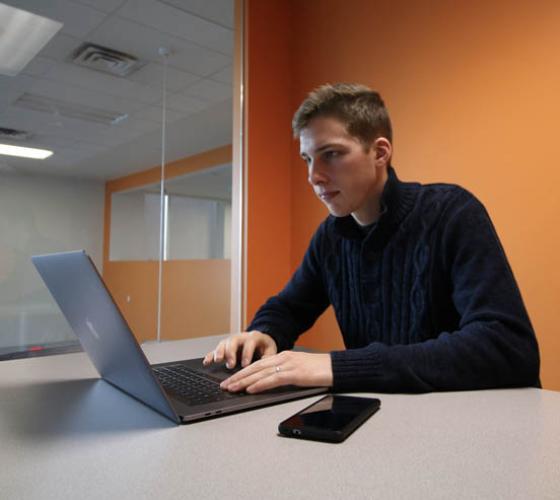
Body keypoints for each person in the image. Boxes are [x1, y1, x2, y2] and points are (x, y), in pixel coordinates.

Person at [203, 83, 540, 394]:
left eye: (331, 154)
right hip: (383, 423)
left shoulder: (452, 213)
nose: (314, 176)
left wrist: (339, 366)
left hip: (471, 425)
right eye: (307, 158)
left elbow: (507, 347)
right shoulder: (331, 237)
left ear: (380, 153)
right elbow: (289, 306)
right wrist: (263, 333)